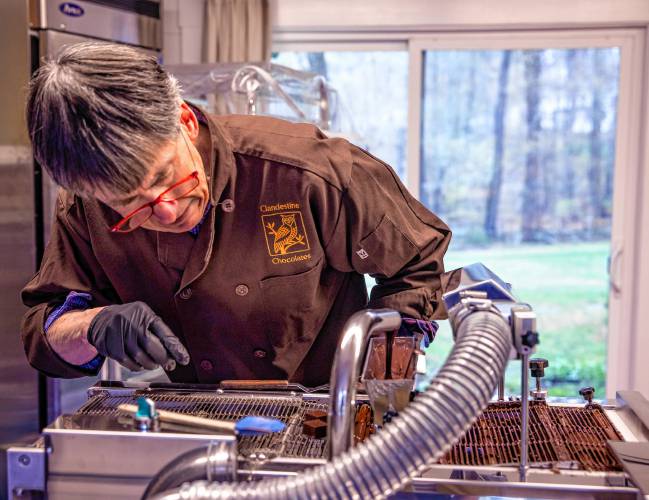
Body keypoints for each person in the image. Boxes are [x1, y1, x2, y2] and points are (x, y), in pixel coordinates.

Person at [21, 42, 451, 386]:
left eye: (166, 176)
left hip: (327, 414)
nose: (166, 211)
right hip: (199, 422)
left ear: (185, 121)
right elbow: (44, 329)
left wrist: (377, 389)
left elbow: (417, 263)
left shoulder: (307, 172)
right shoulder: (83, 208)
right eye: (130, 207)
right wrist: (91, 325)